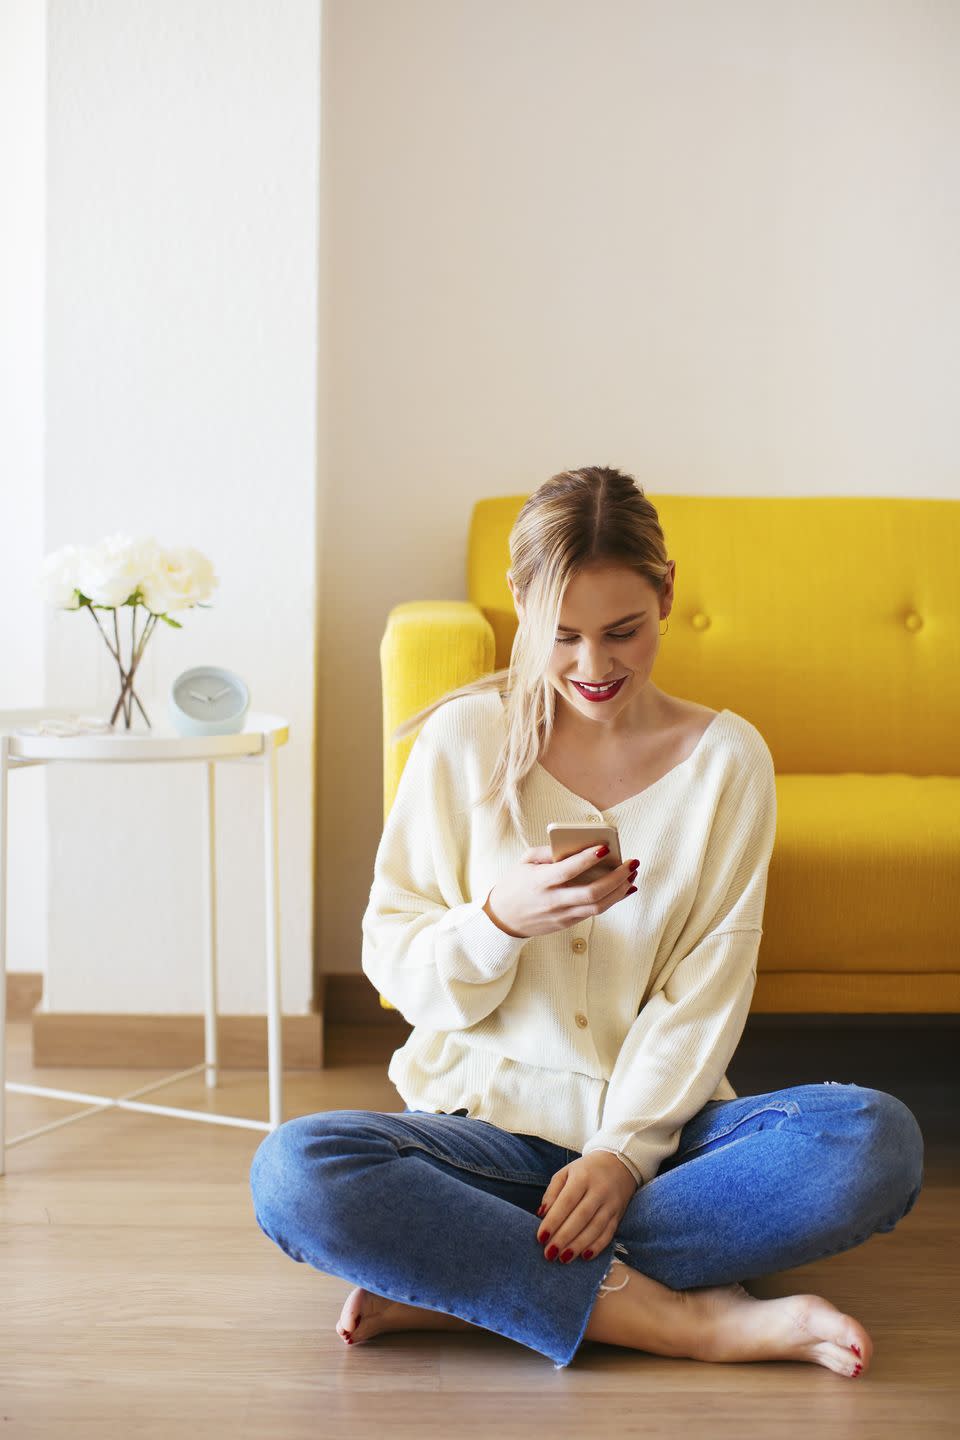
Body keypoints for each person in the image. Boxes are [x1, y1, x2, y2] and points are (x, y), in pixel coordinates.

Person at [249, 465, 924, 1374]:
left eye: (623, 632)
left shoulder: (727, 762)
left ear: (667, 596)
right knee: (297, 1172)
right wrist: (496, 921)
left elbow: (704, 998)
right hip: (479, 1130)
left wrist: (618, 1155)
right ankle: (675, 1319)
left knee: (871, 1142)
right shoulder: (463, 740)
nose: (594, 667)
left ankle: (469, 1285)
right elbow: (394, 962)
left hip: (661, 1140)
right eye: (561, 636)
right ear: (519, 603)